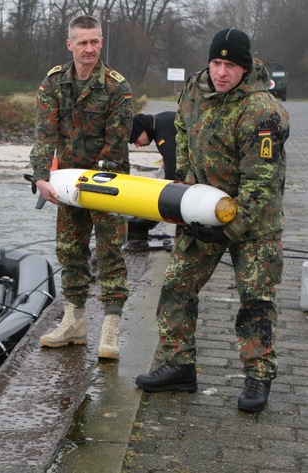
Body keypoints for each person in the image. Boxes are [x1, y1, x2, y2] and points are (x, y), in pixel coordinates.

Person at [134, 28, 289, 413]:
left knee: (255, 299)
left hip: (255, 224)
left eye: (230, 65)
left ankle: (258, 376)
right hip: (202, 209)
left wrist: (229, 228)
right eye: (216, 63)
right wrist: (188, 193)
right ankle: (178, 366)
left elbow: (261, 183)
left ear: (245, 66)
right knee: (176, 287)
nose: (221, 72)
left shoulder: (263, 112)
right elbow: (182, 131)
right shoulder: (194, 89)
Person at [29, 14, 133, 360]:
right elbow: (45, 134)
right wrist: (41, 175)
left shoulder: (118, 87)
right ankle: (74, 321)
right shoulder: (54, 83)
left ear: (101, 43)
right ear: (69, 44)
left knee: (110, 253)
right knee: (70, 251)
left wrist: (89, 187)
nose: (89, 48)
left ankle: (111, 327)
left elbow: (115, 147)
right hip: (68, 182)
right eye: (83, 42)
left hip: (108, 181)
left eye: (95, 41)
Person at [129, 111, 177, 180]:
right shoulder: (159, 120)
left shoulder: (163, 137)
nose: (137, 145)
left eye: (135, 141)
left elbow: (172, 170)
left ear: (142, 131)